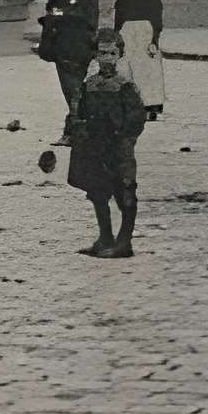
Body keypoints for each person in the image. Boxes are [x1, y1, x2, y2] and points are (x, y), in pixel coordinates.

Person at [67, 33, 149, 258]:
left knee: (125, 191)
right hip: (95, 146)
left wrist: (126, 138)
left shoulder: (125, 86)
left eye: (112, 53)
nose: (107, 59)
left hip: (119, 146)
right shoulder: (89, 85)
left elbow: (136, 117)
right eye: (102, 53)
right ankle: (105, 237)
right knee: (98, 191)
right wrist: (78, 129)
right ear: (95, 55)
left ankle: (124, 241)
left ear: (120, 55)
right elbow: (78, 111)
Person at [37, 0, 99, 126]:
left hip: (66, 47)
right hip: (85, 45)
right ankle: (78, 124)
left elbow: (57, 21)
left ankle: (77, 128)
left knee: (72, 90)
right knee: (77, 88)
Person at [112, 0, 169, 121]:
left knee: (127, 67)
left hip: (127, 29)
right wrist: (155, 39)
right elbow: (158, 21)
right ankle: (152, 106)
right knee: (150, 70)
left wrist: (117, 37)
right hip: (146, 30)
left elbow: (118, 20)